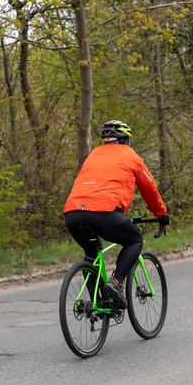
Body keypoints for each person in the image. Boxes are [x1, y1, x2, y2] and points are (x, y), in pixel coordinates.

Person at [63, 120, 170, 307]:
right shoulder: (131, 157)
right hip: (103, 211)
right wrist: (161, 214)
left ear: (106, 141)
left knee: (91, 255)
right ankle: (116, 282)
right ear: (126, 141)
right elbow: (149, 189)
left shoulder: (93, 155)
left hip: (72, 212)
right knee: (134, 240)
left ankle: (98, 304)